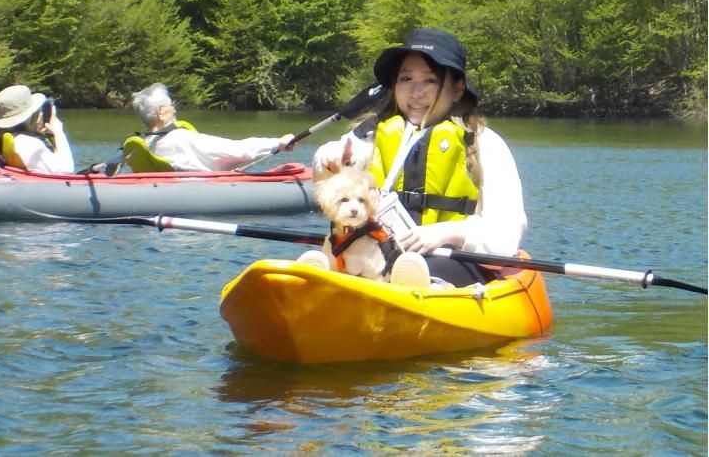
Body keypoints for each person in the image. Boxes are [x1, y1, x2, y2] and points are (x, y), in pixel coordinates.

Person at [311, 27, 527, 287]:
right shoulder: (370, 135)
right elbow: (328, 174)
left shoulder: (483, 143)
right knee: (347, 250)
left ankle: (408, 285)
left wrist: (446, 233)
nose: (415, 92)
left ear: (457, 89)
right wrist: (329, 160)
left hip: (448, 258)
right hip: (373, 252)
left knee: (421, 266)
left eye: (430, 81)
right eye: (405, 79)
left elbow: (504, 235)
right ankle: (322, 276)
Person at [99, 82, 296, 173]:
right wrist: (278, 143)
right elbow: (237, 149)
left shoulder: (143, 143)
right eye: (170, 105)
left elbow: (109, 170)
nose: (174, 109)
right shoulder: (182, 139)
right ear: (160, 112)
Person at [0, 85, 75, 174]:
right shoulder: (27, 142)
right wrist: (59, 132)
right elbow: (66, 169)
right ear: (30, 114)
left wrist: (47, 136)